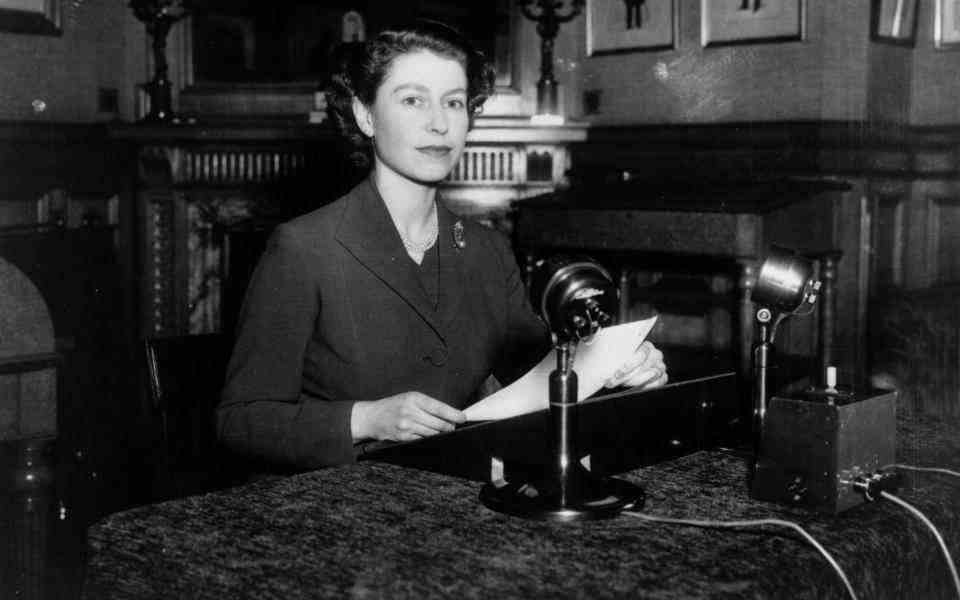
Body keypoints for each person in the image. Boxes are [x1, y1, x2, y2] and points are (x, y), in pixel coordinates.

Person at [216, 20, 667, 470]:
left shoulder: (488, 249)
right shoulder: (303, 249)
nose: (438, 123)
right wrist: (365, 418)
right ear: (365, 115)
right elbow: (240, 421)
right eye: (413, 100)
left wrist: (613, 372)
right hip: (345, 501)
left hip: (460, 490)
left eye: (453, 102)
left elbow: (536, 381)